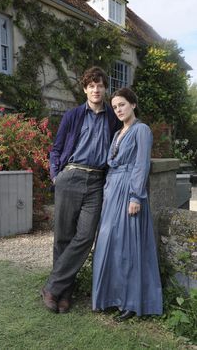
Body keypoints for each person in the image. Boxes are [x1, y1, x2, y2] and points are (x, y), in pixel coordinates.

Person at [41, 66, 121, 313]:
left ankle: (52, 286)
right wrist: (56, 176)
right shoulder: (73, 115)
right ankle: (64, 294)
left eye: (100, 85)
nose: (96, 90)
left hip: (97, 181)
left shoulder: (112, 117)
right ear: (85, 89)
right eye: (91, 86)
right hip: (71, 176)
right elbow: (56, 149)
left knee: (85, 237)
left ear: (105, 89)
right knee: (63, 238)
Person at [92, 88, 163, 321]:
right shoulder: (117, 133)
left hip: (129, 192)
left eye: (122, 104)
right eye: (114, 107)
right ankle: (110, 297)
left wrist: (135, 196)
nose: (118, 110)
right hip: (112, 191)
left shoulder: (141, 130)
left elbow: (141, 165)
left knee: (128, 247)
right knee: (108, 243)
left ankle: (131, 302)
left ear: (133, 104)